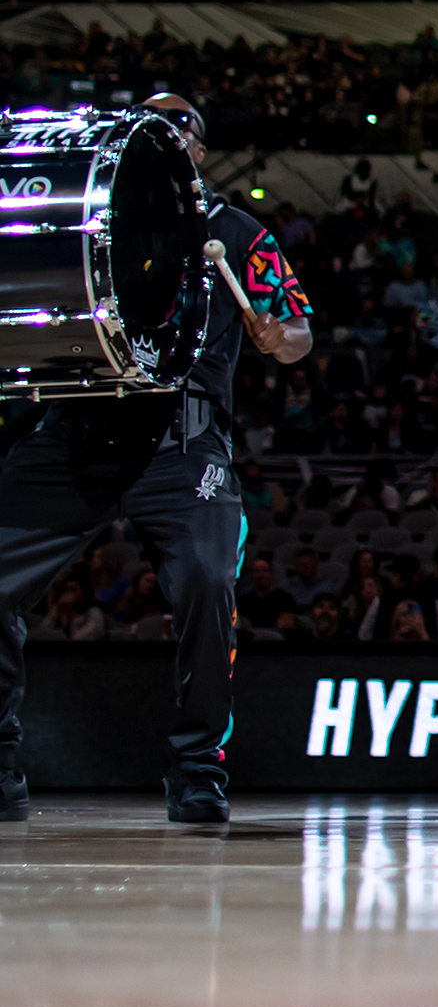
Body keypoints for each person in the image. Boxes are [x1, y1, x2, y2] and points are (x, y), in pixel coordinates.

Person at [0, 94, 312, 824]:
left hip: (182, 440)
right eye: (152, 123)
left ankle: (199, 765)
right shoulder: (93, 218)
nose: (166, 135)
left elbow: (297, 332)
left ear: (197, 152)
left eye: (180, 129)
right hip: (79, 426)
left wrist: (279, 337)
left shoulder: (237, 233)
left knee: (206, 580)